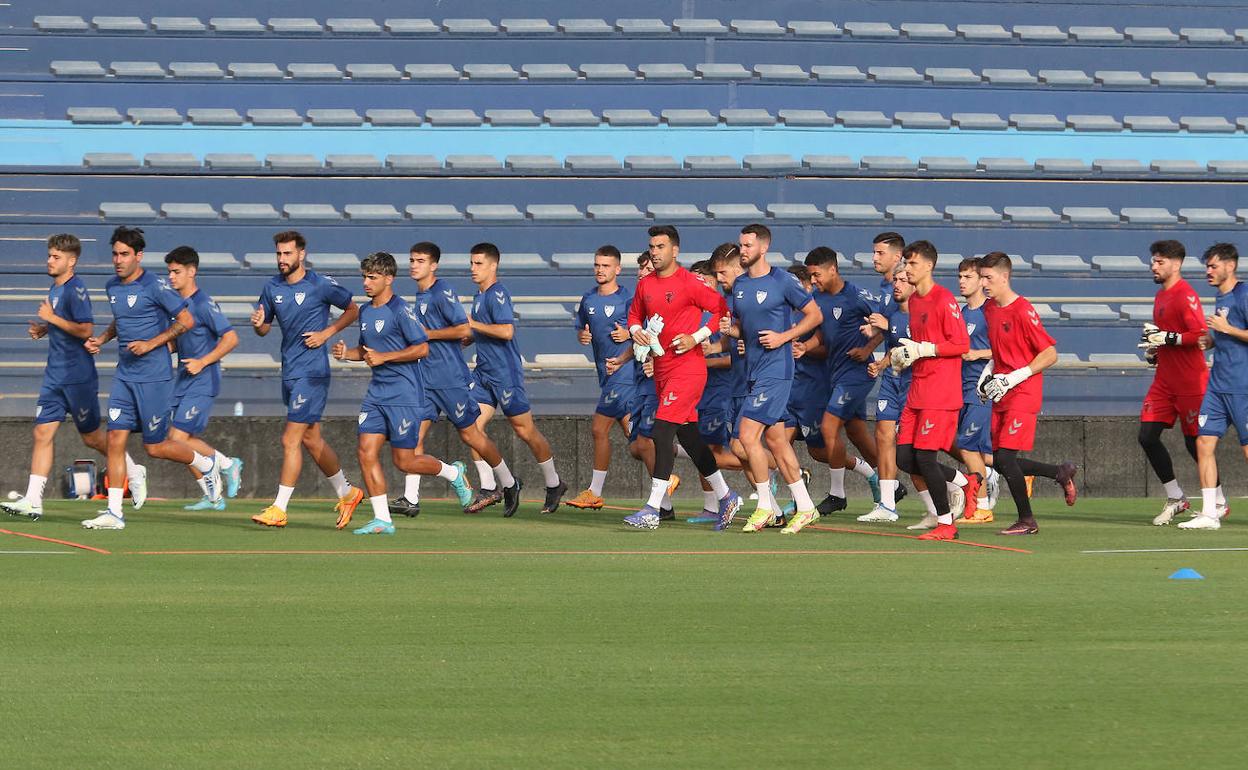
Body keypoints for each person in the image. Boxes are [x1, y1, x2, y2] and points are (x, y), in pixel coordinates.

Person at [80, 229, 225, 530]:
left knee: (155, 447)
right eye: (115, 254)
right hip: (125, 375)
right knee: (115, 439)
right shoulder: (112, 287)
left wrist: (151, 344)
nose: (117, 260)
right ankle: (114, 513)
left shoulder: (156, 287)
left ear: (138, 256)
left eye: (124, 254)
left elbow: (186, 321)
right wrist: (102, 339)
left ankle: (206, 463)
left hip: (155, 378)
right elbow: (121, 320)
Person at [2, 233, 145, 521]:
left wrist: (52, 320)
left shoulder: (75, 289)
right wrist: (45, 328)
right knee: (42, 432)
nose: (50, 261)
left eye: (56, 257)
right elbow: (65, 327)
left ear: (72, 261)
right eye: (49, 256)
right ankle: (33, 500)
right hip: (54, 376)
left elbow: (85, 329)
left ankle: (133, 469)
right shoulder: (55, 290)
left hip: (77, 376)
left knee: (92, 438)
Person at [331, 253, 473, 534]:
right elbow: (367, 350)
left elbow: (422, 348)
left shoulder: (400, 311)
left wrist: (386, 357)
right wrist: (347, 354)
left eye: (372, 277)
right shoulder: (366, 311)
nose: (366, 283)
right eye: (364, 277)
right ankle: (383, 519)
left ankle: (455, 474)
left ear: (388, 279)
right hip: (377, 395)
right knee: (365, 451)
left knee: (404, 461)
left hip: (405, 395)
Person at [624, 225, 742, 530]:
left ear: (675, 250)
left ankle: (653, 508)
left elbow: (721, 310)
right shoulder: (645, 285)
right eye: (652, 246)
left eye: (661, 246)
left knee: (661, 432)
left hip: (688, 370)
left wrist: (697, 336)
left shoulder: (689, 283)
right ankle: (726, 496)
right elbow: (635, 315)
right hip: (662, 369)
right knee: (689, 438)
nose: (655, 252)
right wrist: (637, 332)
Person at [249, 231, 364, 529]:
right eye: (278, 254)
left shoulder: (320, 284)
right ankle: (347, 492)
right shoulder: (272, 287)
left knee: (290, 438)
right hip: (290, 370)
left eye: (288, 254)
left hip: (312, 373)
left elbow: (353, 309)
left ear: (301, 254)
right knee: (312, 439)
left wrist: (327, 334)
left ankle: (279, 508)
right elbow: (265, 328)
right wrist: (259, 325)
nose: (282, 259)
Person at [401, 242, 519, 518]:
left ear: (434, 265)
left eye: (420, 260)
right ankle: (410, 498)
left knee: (472, 436)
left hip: (451, 379)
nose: (414, 264)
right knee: (413, 437)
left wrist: (428, 335)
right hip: (426, 379)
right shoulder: (420, 296)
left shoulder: (443, 292)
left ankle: (510, 483)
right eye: (412, 260)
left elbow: (464, 328)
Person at [726, 225, 823, 533]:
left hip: (777, 371)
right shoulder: (739, 285)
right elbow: (746, 326)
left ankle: (765, 505)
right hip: (754, 372)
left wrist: (784, 336)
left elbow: (814, 316)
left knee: (747, 435)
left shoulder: (783, 280)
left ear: (763, 248)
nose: (742, 250)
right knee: (778, 443)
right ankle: (806, 507)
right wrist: (733, 332)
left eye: (748, 245)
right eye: (741, 245)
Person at [978, 252, 1078, 535]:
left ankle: (1027, 520)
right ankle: (1059, 472)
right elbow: (1001, 351)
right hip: (1002, 391)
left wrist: (1014, 377)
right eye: (982, 277)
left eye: (989, 277)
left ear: (1005, 277)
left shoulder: (1022, 309)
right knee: (999, 460)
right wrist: (988, 375)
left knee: (1006, 459)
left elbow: (1050, 354)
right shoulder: (990, 309)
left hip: (1023, 392)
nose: (984, 283)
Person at [465, 242, 565, 514]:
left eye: (479, 263)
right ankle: (497, 486)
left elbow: (506, 331)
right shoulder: (478, 295)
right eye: (472, 263)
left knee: (525, 431)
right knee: (470, 429)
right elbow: (480, 333)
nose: (473, 268)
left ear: (493, 266)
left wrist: (472, 325)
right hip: (484, 373)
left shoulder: (498, 293)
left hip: (505, 374)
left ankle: (554, 483)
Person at [887, 240, 976, 541]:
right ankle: (965, 481)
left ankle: (946, 524)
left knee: (925, 459)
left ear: (928, 266)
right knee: (904, 459)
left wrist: (927, 348)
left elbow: (961, 344)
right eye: (906, 264)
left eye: (912, 264)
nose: (906, 269)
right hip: (917, 390)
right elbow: (920, 347)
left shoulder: (944, 299)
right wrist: (904, 357)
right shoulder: (915, 301)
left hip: (940, 392)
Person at [1136, 240, 1218, 525]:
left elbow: (1200, 336)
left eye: (1159, 261)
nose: (1153, 266)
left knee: (1194, 443)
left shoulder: (1186, 295)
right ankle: (1176, 497)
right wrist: (1155, 350)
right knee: (1146, 435)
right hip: (1164, 381)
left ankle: (1217, 501)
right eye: (1153, 261)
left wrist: (1168, 338)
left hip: (1190, 381)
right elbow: (1168, 337)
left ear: (1176, 263)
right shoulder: (1161, 296)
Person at [163, 246, 244, 511]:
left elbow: (231, 338)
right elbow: (180, 341)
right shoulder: (178, 306)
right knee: (177, 442)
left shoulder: (203, 304)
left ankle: (227, 464)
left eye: (176, 272)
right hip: (183, 379)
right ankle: (213, 497)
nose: (171, 277)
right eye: (169, 272)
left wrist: (203, 361)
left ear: (192, 272)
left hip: (203, 379)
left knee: (177, 438)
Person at [801, 247, 882, 515]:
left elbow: (888, 322)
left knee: (829, 427)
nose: (814, 280)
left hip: (857, 373)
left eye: (817, 274)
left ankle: (837, 494)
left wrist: (869, 349)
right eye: (811, 276)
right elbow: (824, 336)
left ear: (833, 269)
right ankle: (892, 483)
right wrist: (804, 347)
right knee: (860, 436)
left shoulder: (857, 296)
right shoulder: (818, 299)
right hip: (836, 374)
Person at [1181, 243, 1247, 530]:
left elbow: (1233, 331)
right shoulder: (1221, 298)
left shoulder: (1244, 295)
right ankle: (1210, 513)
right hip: (1218, 387)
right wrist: (1211, 341)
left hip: (1243, 387)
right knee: (1203, 443)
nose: (1208, 271)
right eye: (1207, 266)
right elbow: (1227, 337)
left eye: (1213, 266)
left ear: (1230, 266)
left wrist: (1227, 330)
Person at [567, 245, 637, 509]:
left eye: (606, 265)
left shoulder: (627, 299)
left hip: (624, 372)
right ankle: (665, 486)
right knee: (638, 443)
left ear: (617, 269)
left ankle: (594, 491)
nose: (600, 269)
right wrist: (582, 337)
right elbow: (581, 329)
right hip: (606, 376)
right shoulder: (588, 300)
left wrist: (629, 333)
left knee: (598, 428)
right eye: (597, 265)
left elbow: (642, 328)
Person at [858, 264, 925, 523]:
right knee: (883, 435)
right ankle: (886, 504)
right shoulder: (895, 316)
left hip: (916, 383)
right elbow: (896, 350)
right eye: (895, 280)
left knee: (916, 447)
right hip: (892, 380)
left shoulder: (922, 315)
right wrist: (881, 364)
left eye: (903, 279)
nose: (896, 284)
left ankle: (957, 483)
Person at [954, 257, 999, 523]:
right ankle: (1010, 470)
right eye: (960, 276)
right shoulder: (962, 312)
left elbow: (1008, 349)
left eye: (967, 277)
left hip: (981, 389)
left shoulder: (990, 311)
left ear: (982, 280)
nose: (962, 281)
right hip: (960, 388)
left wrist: (977, 354)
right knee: (977, 449)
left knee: (966, 445)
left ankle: (982, 506)